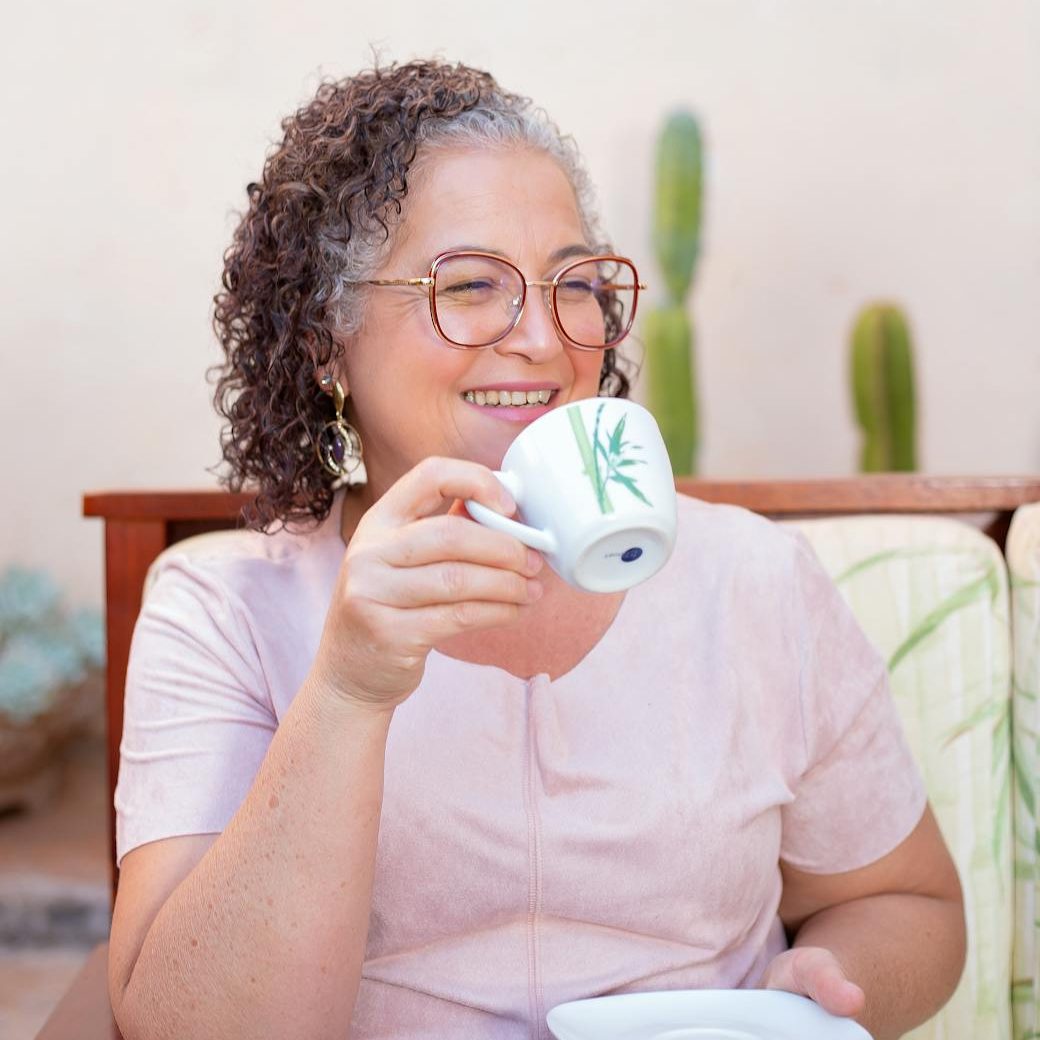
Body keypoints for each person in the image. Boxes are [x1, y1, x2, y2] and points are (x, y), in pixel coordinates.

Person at [106, 60, 964, 1040]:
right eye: (470, 285)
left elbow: (909, 904)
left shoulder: (753, 578)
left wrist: (833, 981)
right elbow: (183, 1024)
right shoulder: (222, 606)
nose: (544, 339)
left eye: (575, 284)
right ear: (322, 338)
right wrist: (347, 691)